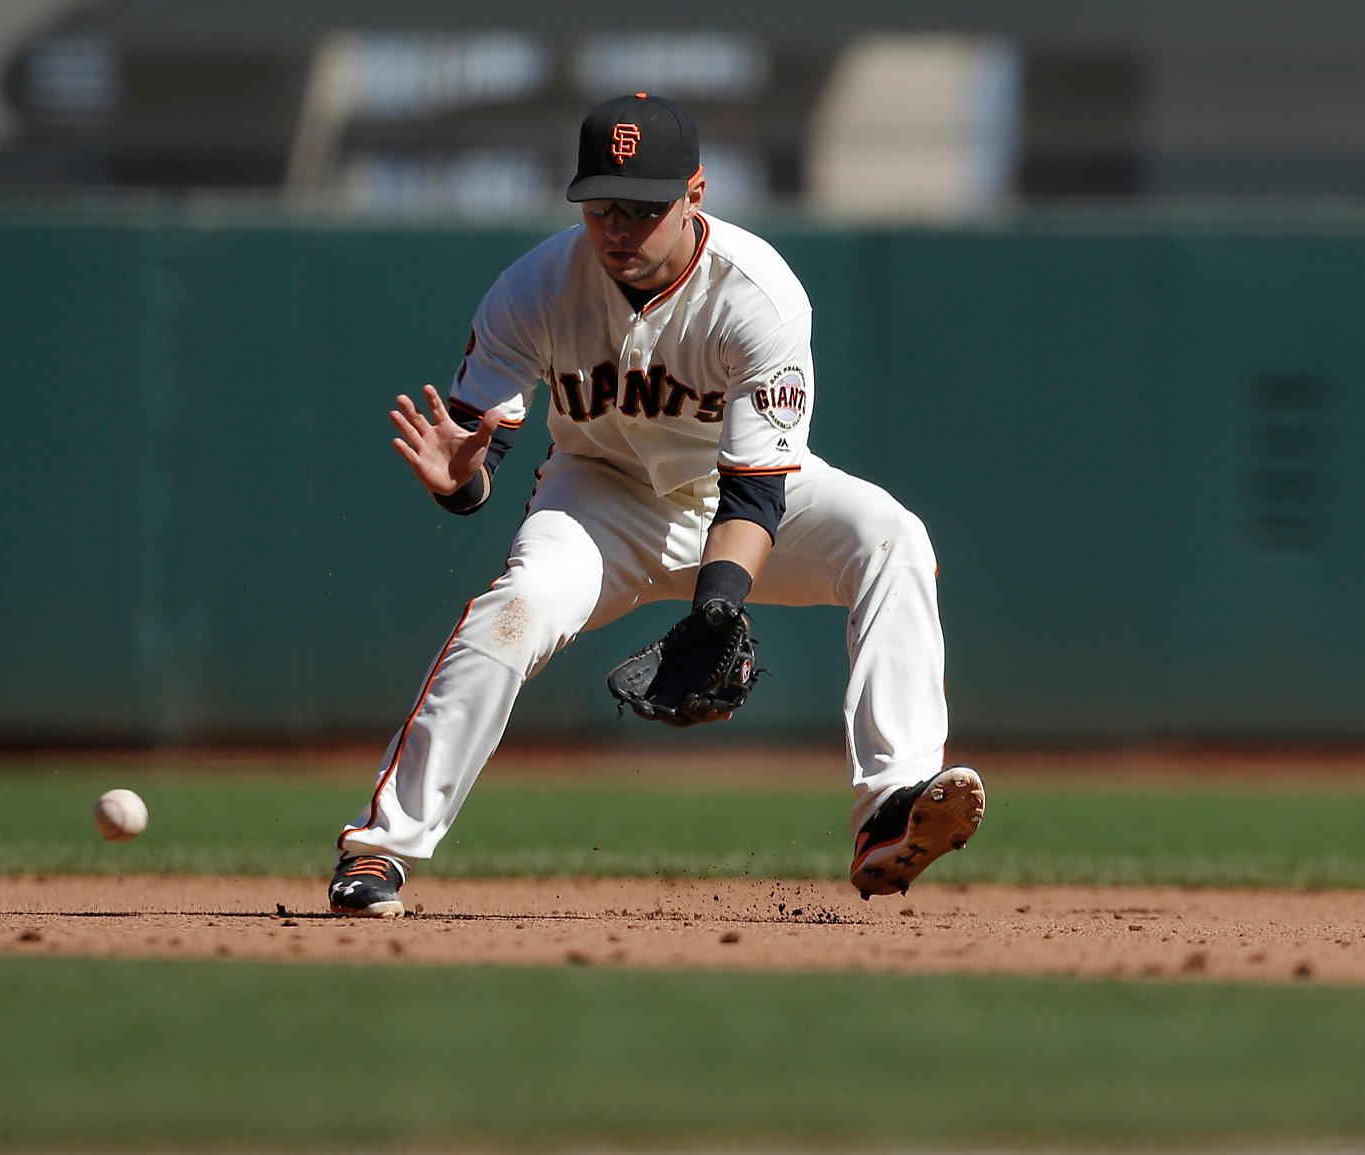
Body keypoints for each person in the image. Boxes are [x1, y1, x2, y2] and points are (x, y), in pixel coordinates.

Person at [328, 93, 985, 918]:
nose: (618, 228)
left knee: (889, 536)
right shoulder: (533, 288)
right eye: (601, 207)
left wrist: (717, 609)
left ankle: (891, 807)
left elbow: (753, 491)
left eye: (643, 208)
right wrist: (460, 484)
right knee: (514, 611)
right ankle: (380, 850)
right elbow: (477, 452)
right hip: (597, 498)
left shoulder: (759, 297)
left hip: (738, 496)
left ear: (696, 194)